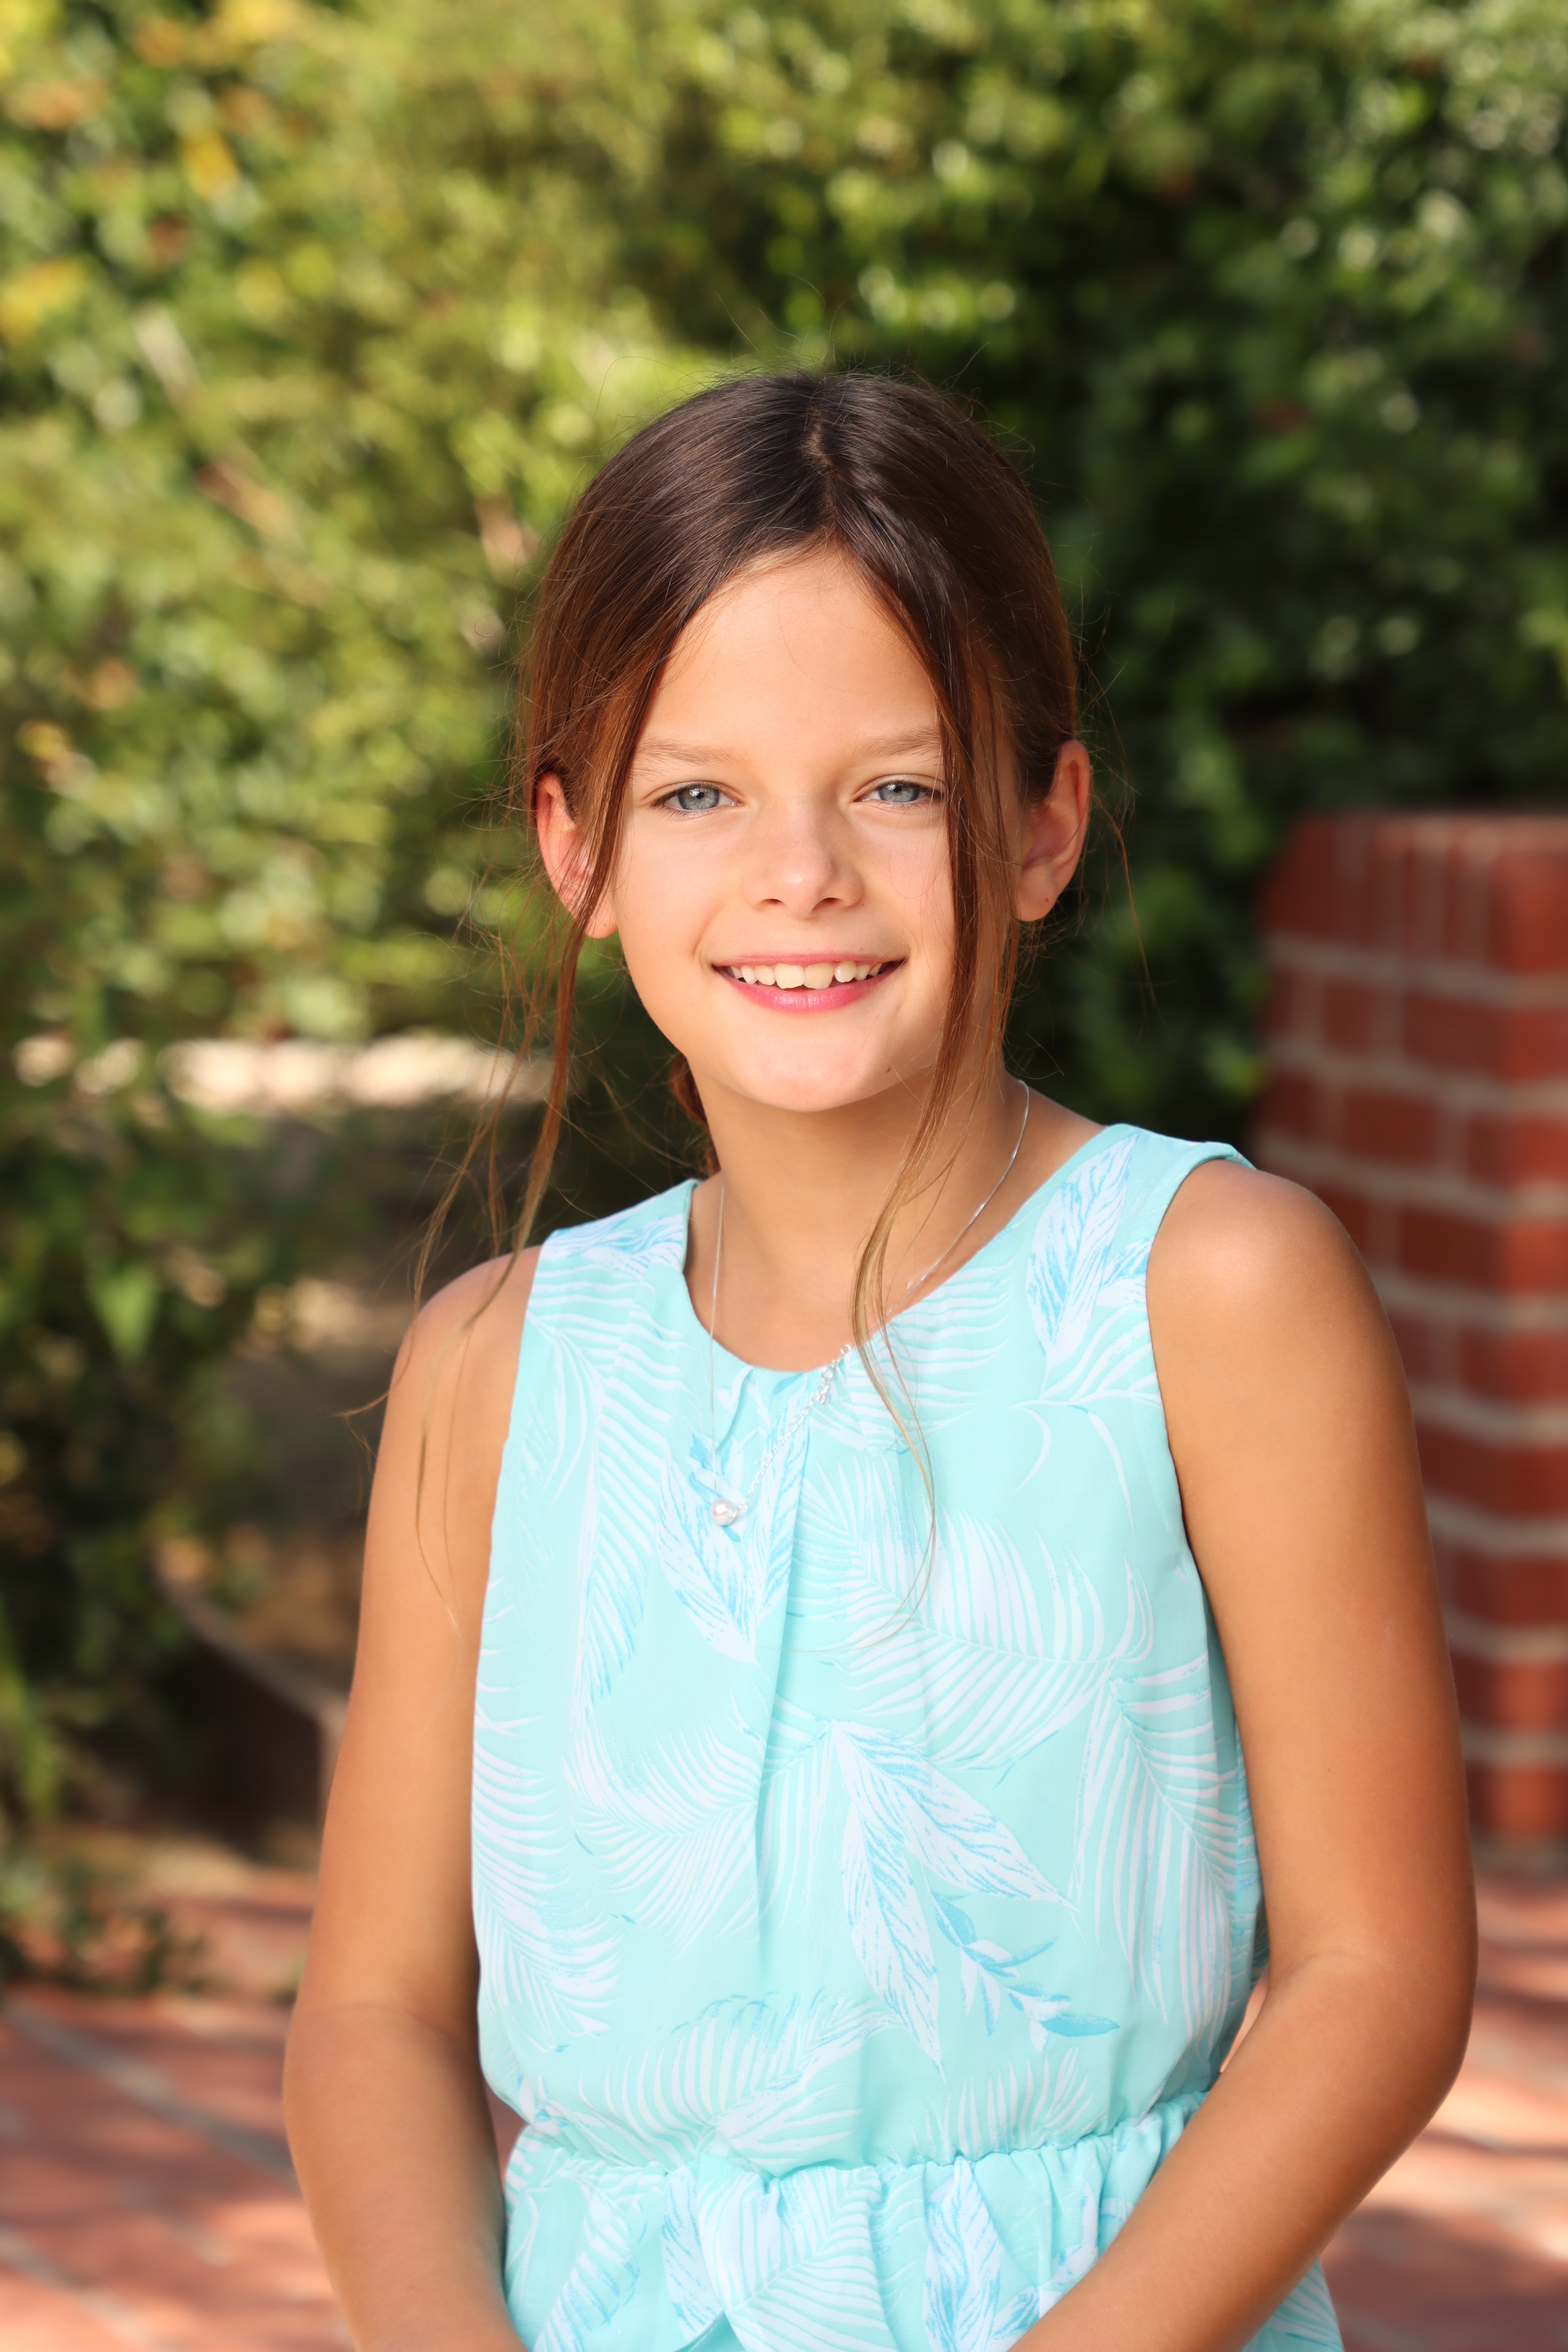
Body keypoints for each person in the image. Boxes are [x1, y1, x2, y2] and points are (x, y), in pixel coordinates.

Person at [283, 372, 1475, 2352]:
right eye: (697, 793)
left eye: (898, 787)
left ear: (1041, 824)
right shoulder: (495, 1369)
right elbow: (373, 2013)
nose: (801, 872)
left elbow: (1376, 1973)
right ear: (575, 847)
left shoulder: (1208, 1290)